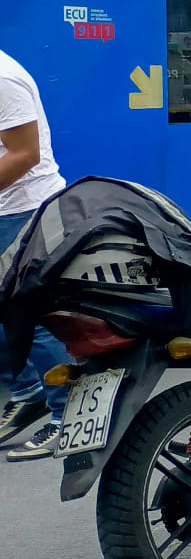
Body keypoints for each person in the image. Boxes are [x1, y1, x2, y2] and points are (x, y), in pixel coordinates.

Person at [0, 49, 72, 460]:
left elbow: (25, 154)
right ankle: (28, 392)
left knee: (31, 313)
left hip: (23, 210)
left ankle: (67, 416)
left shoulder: (3, 78)